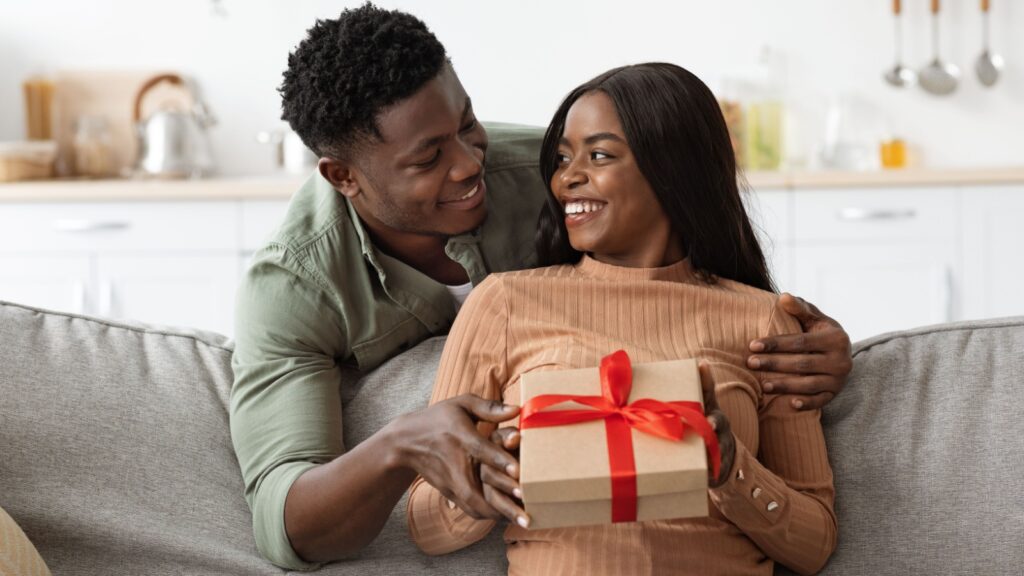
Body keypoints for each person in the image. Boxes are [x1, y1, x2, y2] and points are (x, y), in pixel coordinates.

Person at [230, 4, 850, 570]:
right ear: (344, 177)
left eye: (467, 123)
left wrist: (814, 340)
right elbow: (287, 522)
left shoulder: (549, 168)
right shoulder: (295, 285)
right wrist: (408, 444)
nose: (470, 163)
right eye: (428, 160)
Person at [407, 62, 837, 576]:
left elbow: (814, 545)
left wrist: (731, 471)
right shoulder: (503, 303)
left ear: (673, 169)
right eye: (563, 158)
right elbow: (425, 526)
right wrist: (491, 478)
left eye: (599, 155)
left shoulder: (763, 319)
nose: (567, 178)